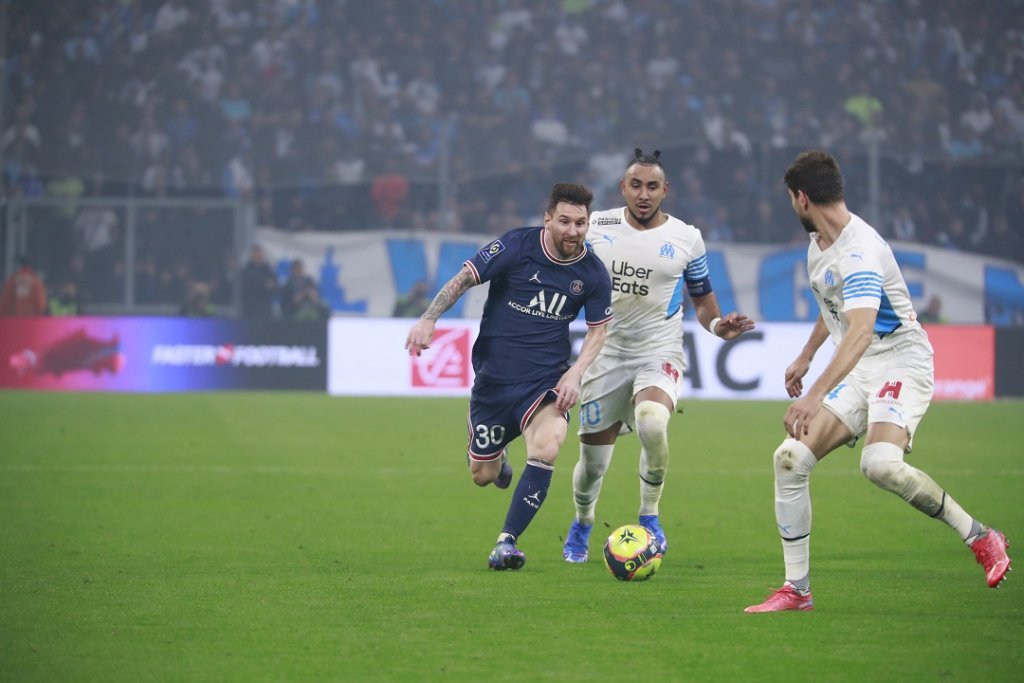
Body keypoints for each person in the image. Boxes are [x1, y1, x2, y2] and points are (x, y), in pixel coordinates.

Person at [745, 150, 1011, 613]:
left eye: (791, 198)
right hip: (861, 364)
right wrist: (806, 355)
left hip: (899, 362)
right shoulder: (820, 245)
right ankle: (797, 589)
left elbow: (864, 330)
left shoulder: (860, 250)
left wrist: (815, 394)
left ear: (802, 198)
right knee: (788, 459)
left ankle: (982, 536)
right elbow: (838, 312)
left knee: (880, 466)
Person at [405, 182, 613, 571]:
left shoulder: (593, 273)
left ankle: (506, 542)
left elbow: (599, 330)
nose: (572, 231)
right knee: (482, 476)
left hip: (544, 381)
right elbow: (465, 278)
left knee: (549, 445)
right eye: (564, 221)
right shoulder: (516, 247)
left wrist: (574, 375)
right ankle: (498, 463)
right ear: (548, 219)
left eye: (580, 223)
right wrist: (430, 318)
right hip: (494, 381)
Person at [562, 149, 756, 563]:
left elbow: (703, 301)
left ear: (665, 190)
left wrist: (720, 326)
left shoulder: (687, 237)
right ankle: (582, 520)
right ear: (622, 188)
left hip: (659, 348)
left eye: (652, 186)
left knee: (653, 422)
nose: (644, 194)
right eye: (636, 185)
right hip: (605, 353)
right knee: (592, 465)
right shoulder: (597, 226)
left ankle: (649, 516)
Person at [239, 244, 277, 320]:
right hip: (250, 310)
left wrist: (269, 286)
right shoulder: (246, 270)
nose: (258, 256)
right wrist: (263, 283)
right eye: (255, 253)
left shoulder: (268, 270)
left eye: (259, 253)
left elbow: (274, 287)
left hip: (265, 310)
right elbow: (249, 286)